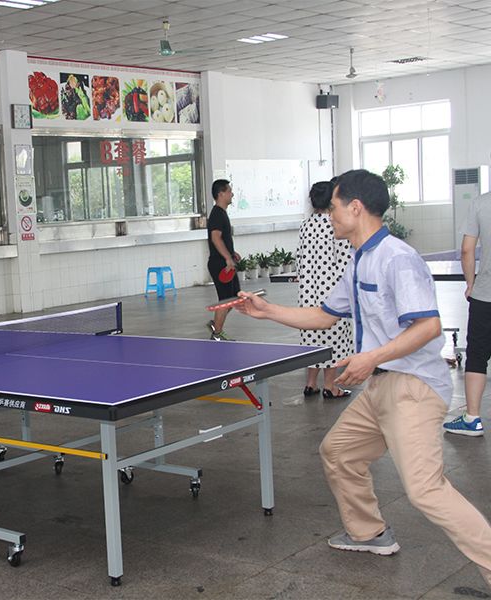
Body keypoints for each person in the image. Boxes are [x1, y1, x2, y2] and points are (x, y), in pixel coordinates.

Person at [235, 169, 491, 588]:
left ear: (355, 208)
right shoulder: (358, 260)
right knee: (338, 452)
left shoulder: (397, 258)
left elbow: (428, 327)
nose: (329, 215)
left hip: (413, 387)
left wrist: (371, 357)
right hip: (381, 386)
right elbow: (324, 315)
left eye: (334, 208)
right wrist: (268, 312)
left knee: (425, 489)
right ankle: (369, 532)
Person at [297, 181, 353, 398]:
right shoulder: (335, 225)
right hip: (332, 293)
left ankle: (310, 384)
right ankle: (331, 386)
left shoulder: (305, 226)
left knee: (312, 338)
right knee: (334, 339)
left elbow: (299, 259)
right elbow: (345, 262)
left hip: (307, 292)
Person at [444, 191, 491, 436]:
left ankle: (472, 418)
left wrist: (471, 284)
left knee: (477, 356)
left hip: (486, 295)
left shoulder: (481, 203)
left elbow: (466, 250)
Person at [207, 179, 240, 341]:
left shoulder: (221, 213)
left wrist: (232, 253)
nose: (232, 194)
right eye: (229, 191)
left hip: (225, 262)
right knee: (226, 300)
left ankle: (215, 325)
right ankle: (217, 334)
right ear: (221, 194)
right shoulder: (217, 214)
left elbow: (222, 239)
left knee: (234, 298)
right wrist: (227, 258)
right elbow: (215, 238)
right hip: (220, 264)